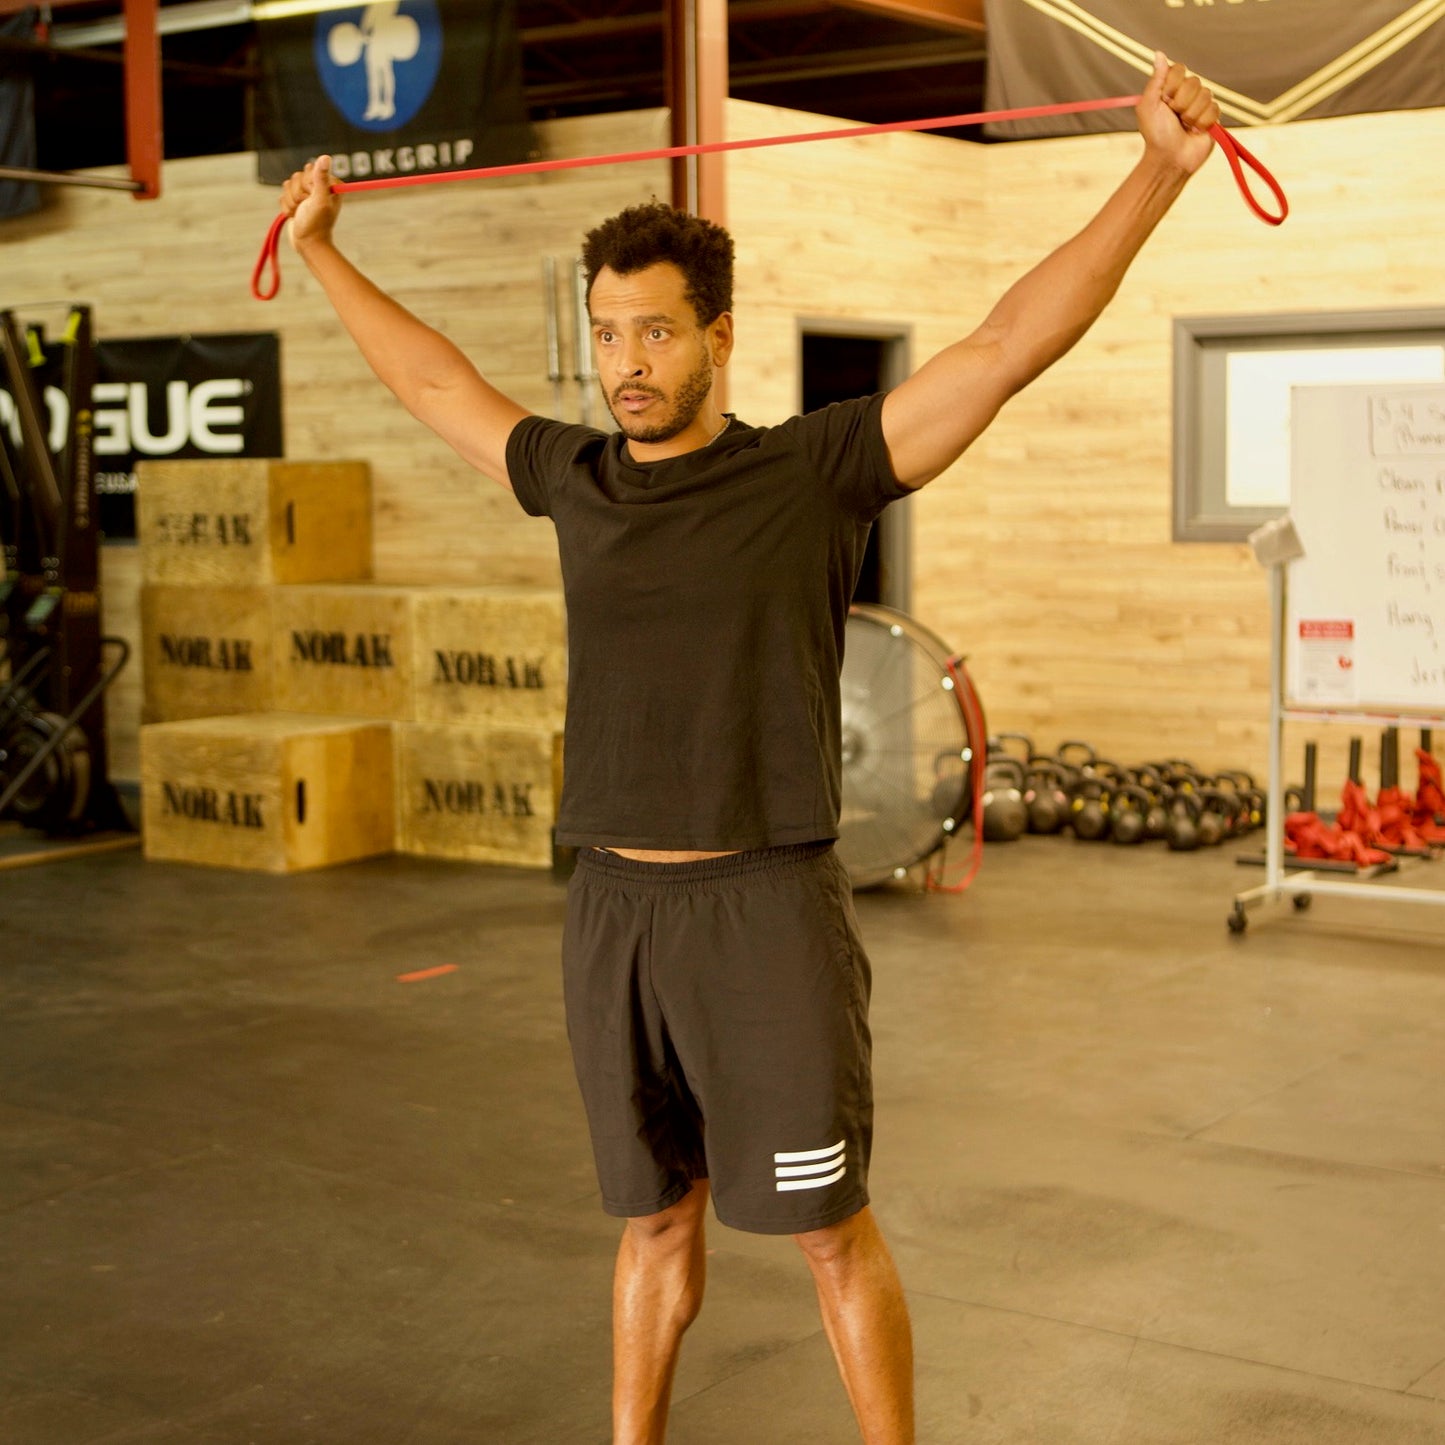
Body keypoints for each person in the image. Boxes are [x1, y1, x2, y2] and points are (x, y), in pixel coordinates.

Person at [278, 52, 1220, 1445]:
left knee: (828, 1230)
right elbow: (432, 381)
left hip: (763, 905)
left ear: (719, 334)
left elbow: (1003, 346)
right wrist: (319, 251)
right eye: (608, 334)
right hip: (613, 908)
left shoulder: (811, 473)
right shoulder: (575, 479)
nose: (626, 364)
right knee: (655, 1219)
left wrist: (1155, 171)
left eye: (655, 334)